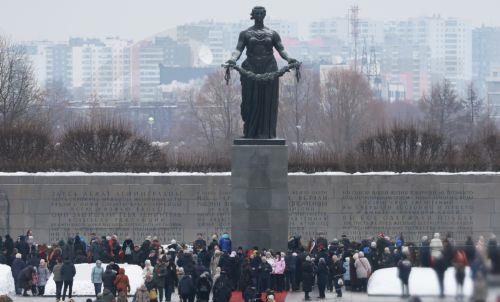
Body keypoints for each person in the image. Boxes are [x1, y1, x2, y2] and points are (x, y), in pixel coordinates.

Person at [225, 6, 298, 139]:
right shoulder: (245, 33)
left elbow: (281, 49)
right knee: (250, 100)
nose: (259, 15)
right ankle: (250, 132)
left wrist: (289, 58)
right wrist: (232, 59)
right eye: (256, 13)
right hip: (250, 68)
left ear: (264, 15)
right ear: (252, 15)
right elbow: (238, 50)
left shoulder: (272, 33)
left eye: (261, 13)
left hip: (269, 68)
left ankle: (266, 133)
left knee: (268, 100)